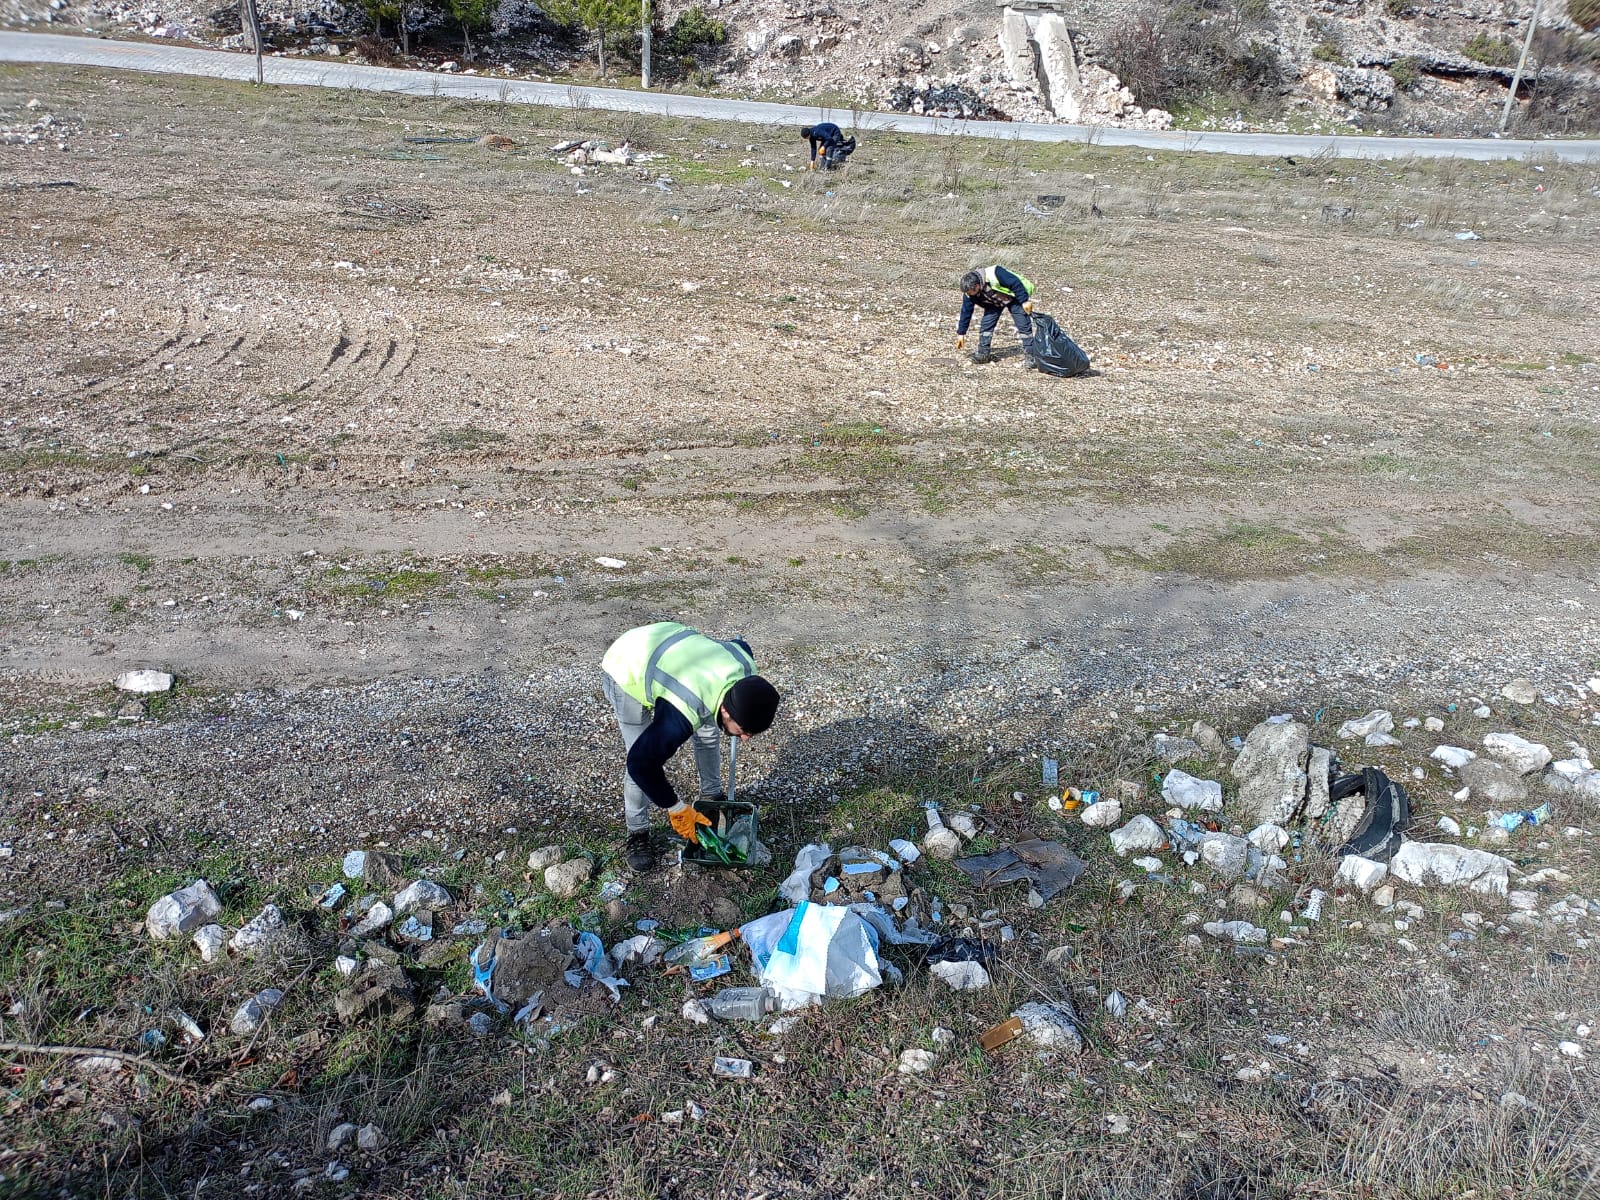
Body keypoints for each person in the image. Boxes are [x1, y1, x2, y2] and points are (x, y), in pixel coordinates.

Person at [601, 622, 781, 872]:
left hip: (673, 649)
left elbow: (739, 644)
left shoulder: (745, 667)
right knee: (639, 755)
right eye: (744, 730)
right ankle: (637, 833)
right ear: (727, 710)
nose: (746, 739)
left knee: (708, 734)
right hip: (627, 665)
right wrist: (676, 808)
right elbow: (641, 764)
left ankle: (712, 797)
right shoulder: (684, 708)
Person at [955, 266, 1038, 368]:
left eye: (970, 292)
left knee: (1023, 325)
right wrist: (961, 333)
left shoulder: (996, 274)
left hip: (1014, 298)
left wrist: (1024, 301)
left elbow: (1015, 283)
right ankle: (983, 354)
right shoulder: (969, 293)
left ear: (977, 286)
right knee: (986, 325)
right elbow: (966, 311)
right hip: (994, 303)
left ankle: (1032, 357)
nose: (969, 295)